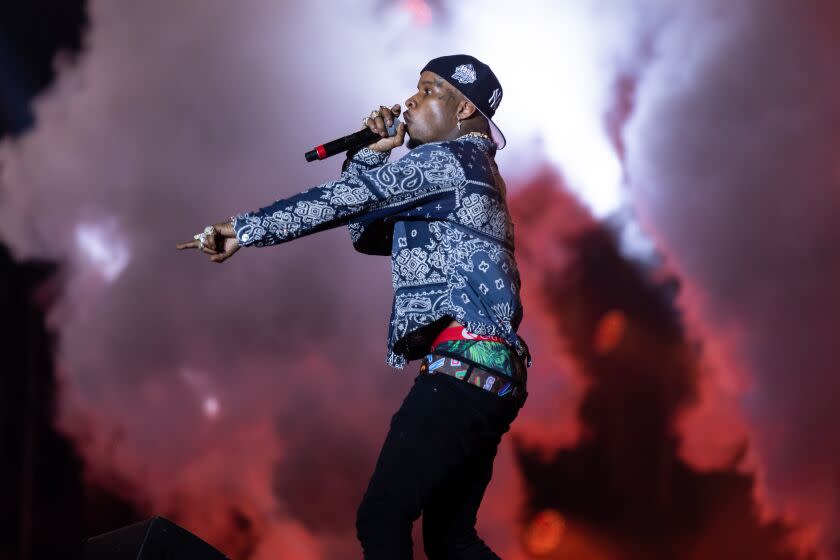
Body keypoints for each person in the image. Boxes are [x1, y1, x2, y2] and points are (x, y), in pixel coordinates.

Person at [176, 54, 531, 559]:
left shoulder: (448, 161)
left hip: (463, 367)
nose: (411, 100)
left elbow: (341, 203)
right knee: (452, 540)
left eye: (429, 91)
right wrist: (371, 155)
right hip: (490, 372)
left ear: (465, 110)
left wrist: (241, 229)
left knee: (382, 516)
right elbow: (367, 231)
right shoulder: (474, 171)